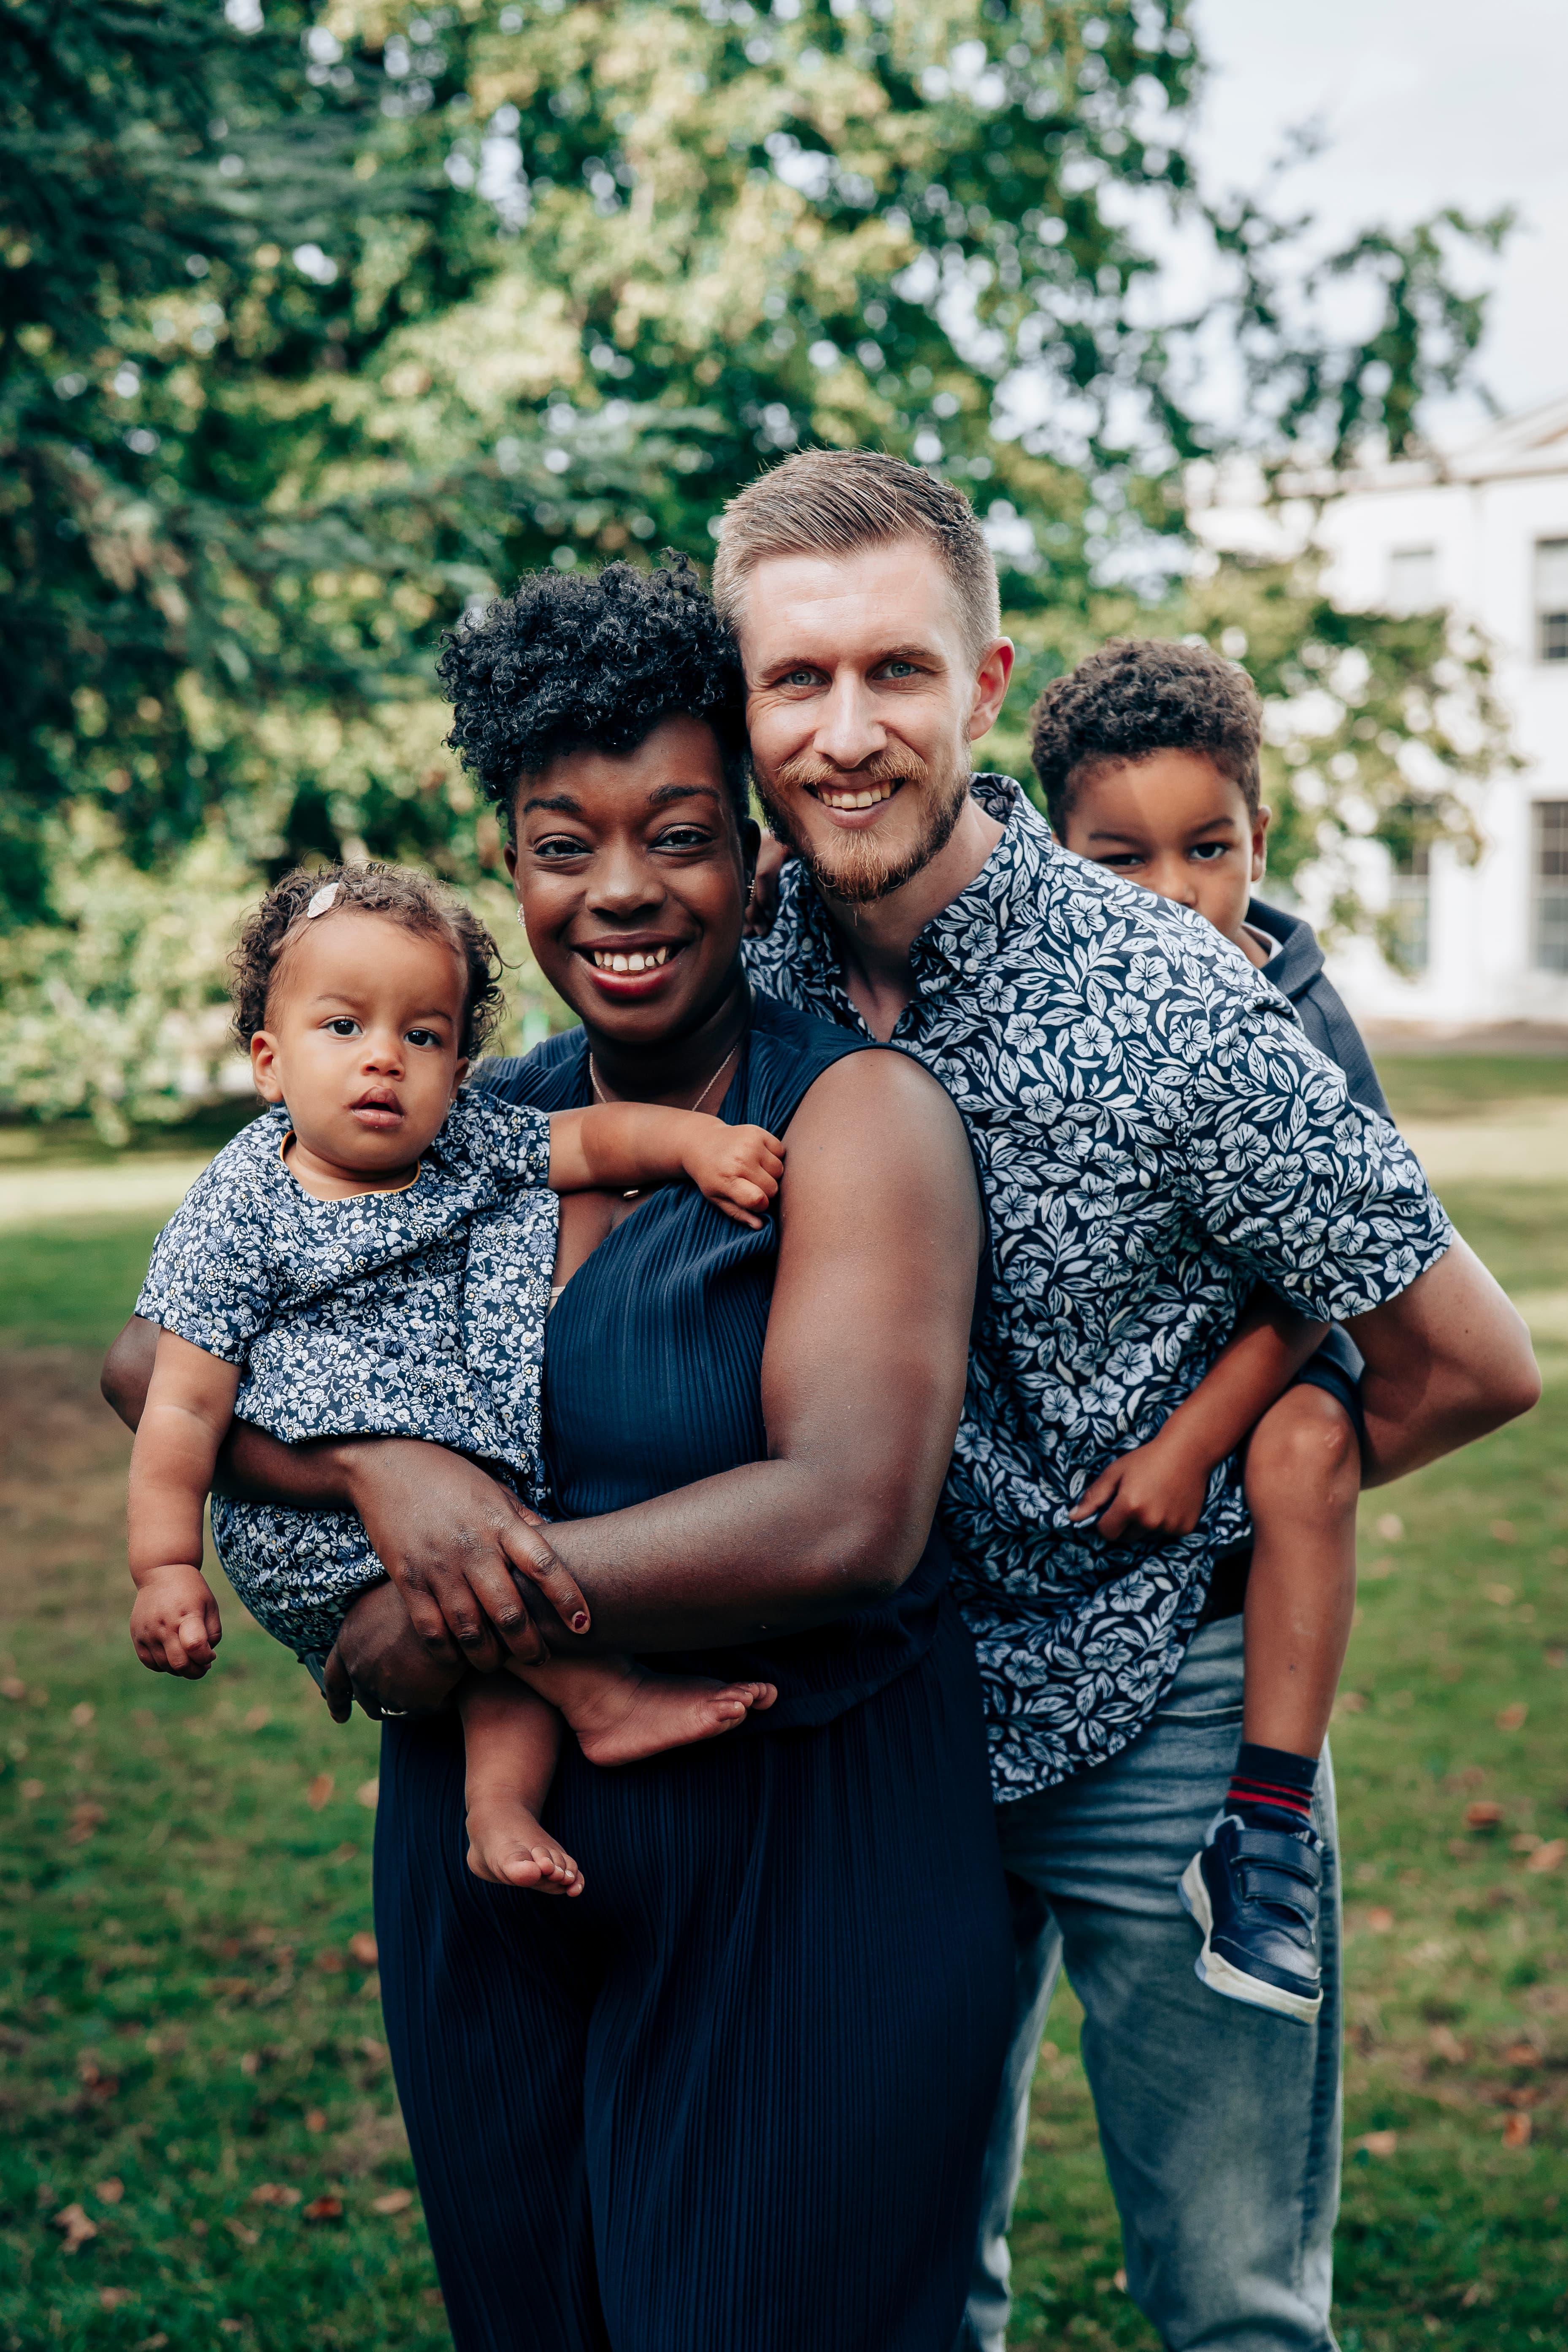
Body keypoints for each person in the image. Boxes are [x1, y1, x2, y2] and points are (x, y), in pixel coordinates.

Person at [102, 556, 1015, 2352]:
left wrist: (449, 1606)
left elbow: (845, 1511)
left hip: (796, 1857)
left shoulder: (850, 1113)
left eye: (676, 835)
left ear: (755, 853)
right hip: (482, 1877)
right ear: (506, 868)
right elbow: (153, 1353)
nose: (618, 891)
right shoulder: (463, 1116)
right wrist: (376, 1477)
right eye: (558, 843)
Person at [724, 447, 1538, 2352]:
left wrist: (1235, 1498)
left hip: (1168, 1714)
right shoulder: (728, 973)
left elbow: (1467, 1359)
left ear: (983, 681)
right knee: (896, 2294)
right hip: (873, 1721)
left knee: (1233, 2304)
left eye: (895, 670)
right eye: (793, 680)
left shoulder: (1167, 999)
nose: (844, 731)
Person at [126, 858, 787, 1897]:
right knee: (494, 1592)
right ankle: (607, 1699)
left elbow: (587, 1141)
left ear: (459, 1066)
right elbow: (178, 1401)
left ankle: (498, 1813)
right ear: (268, 1061)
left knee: (492, 1648)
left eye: (424, 1036)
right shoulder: (242, 1206)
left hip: (455, 1502)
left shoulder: (468, 1145)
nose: (384, 1058)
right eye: (343, 1026)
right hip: (312, 1533)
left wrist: (694, 1146)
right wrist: (166, 1566)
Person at [1034, 636, 1385, 2023]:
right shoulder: (1040, 997)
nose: (1174, 895)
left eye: (1207, 849)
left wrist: (1192, 1442)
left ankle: (1267, 1825)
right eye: (1120, 859)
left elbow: (1325, 1268)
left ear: (1259, 837)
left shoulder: (1288, 1007)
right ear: (1054, 854)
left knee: (1300, 1454)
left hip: (1275, 1343)